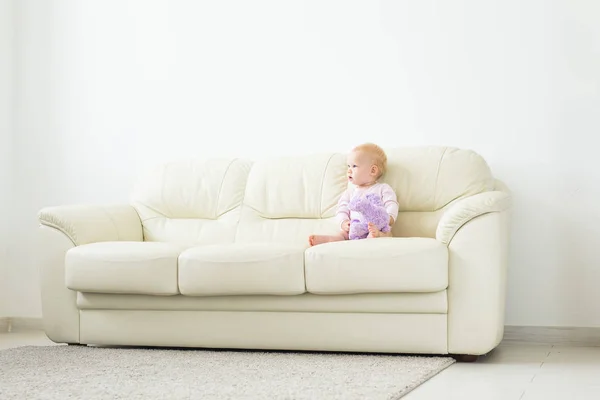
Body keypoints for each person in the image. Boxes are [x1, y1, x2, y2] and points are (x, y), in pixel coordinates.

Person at [308, 143, 399, 247]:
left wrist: (389, 218)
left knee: (387, 234)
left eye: (354, 166)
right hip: (355, 228)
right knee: (343, 234)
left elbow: (391, 203)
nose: (349, 170)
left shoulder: (383, 188)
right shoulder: (350, 193)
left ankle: (376, 235)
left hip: (377, 227)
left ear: (373, 170)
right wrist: (344, 222)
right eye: (348, 166)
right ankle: (330, 239)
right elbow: (341, 209)